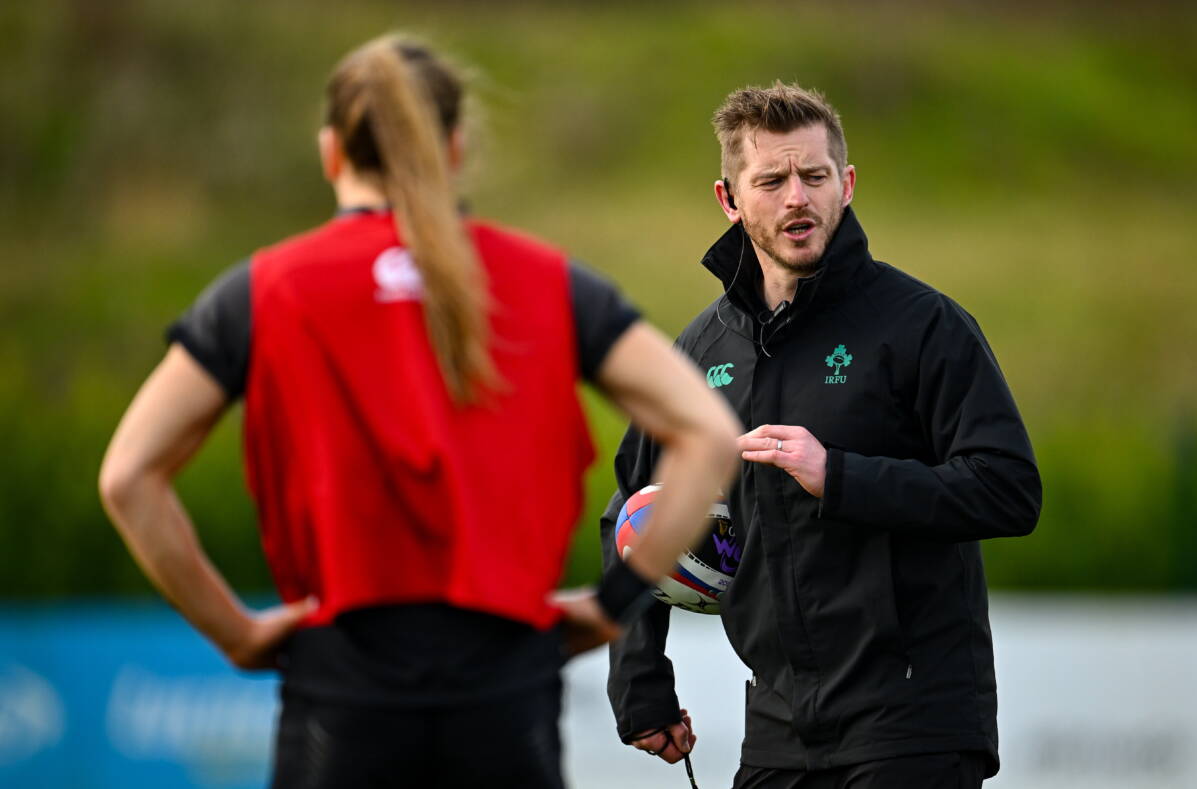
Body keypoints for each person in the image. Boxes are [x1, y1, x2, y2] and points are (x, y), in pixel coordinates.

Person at [98, 34, 741, 789]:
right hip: (505, 688)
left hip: (340, 685)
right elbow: (706, 434)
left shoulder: (266, 288)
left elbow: (129, 477)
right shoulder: (546, 281)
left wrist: (234, 632)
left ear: (331, 152)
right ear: (457, 148)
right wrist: (610, 608)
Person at [600, 82, 1042, 788]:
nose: (797, 197)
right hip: (779, 731)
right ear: (729, 199)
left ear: (848, 184)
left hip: (913, 722)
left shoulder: (924, 326)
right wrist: (640, 682)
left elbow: (1009, 490)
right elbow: (630, 514)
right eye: (772, 180)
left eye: (815, 175)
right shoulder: (697, 352)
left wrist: (840, 474)